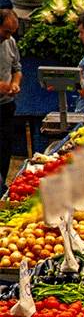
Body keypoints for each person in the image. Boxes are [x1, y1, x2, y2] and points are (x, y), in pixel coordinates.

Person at [0, 10, 20, 186]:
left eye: (11, 33)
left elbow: (17, 68)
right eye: (5, 32)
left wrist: (15, 84)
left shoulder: (11, 43)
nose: (8, 37)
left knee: (4, 152)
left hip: (6, 107)